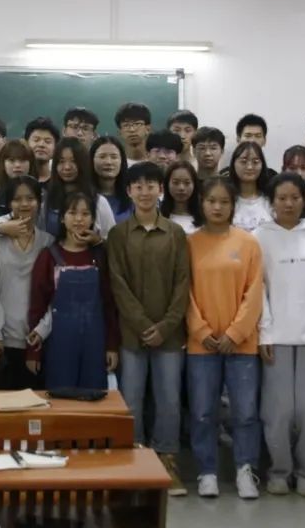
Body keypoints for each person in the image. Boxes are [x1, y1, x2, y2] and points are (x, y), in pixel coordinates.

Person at [108, 162, 191, 496]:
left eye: (151, 185)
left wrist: (166, 325)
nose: (144, 192)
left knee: (169, 401)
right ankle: (135, 462)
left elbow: (183, 283)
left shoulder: (175, 233)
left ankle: (168, 462)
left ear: (161, 190)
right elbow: (118, 284)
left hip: (169, 336)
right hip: (132, 335)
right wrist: (143, 325)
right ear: (129, 191)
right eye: (138, 186)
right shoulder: (118, 234)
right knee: (132, 401)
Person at [186, 177, 265, 500]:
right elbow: (184, 293)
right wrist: (201, 331)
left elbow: (255, 291)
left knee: (245, 412)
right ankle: (207, 472)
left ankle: (246, 470)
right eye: (211, 201)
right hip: (200, 345)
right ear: (201, 204)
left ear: (233, 206)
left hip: (242, 344)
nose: (217, 207)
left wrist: (235, 332)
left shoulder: (248, 243)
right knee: (203, 412)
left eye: (224, 202)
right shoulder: (189, 243)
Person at [254, 174, 305, 498]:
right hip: (276, 336)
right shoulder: (260, 236)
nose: (288, 204)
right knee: (278, 411)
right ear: (272, 201)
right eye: (282, 198)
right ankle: (279, 471)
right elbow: (258, 289)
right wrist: (264, 332)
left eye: (295, 197)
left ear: (304, 200)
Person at [26, 192, 120, 389]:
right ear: (62, 218)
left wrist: (112, 346)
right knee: (60, 398)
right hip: (59, 343)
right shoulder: (49, 256)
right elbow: (37, 306)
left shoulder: (101, 256)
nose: (79, 219)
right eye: (72, 213)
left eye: (85, 214)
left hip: (95, 343)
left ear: (93, 219)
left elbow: (110, 304)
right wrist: (33, 352)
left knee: (93, 398)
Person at [0, 176, 53, 390]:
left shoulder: (48, 242)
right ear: (8, 203)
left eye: (30, 198)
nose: (24, 204)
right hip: (1, 339)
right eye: (17, 199)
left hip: (36, 339)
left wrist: (43, 329)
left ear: (39, 202)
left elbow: (55, 294)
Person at [39, 137, 116, 237]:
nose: (67, 167)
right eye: (61, 161)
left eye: (73, 161)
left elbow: (112, 239)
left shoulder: (99, 202)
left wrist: (96, 241)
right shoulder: (46, 199)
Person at [0, 139, 36, 228]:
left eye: (22, 160)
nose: (17, 165)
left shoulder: (42, 196)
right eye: (11, 160)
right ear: (3, 164)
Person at [230, 141, 273, 233]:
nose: (249, 167)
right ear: (233, 164)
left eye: (255, 162)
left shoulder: (271, 200)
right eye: (243, 162)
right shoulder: (226, 199)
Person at [91, 136, 133, 225]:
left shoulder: (132, 196)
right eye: (102, 157)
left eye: (114, 157)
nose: (108, 162)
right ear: (92, 160)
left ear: (122, 161)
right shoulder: (84, 196)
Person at [232, 113, 278, 182]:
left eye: (258, 136)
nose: (252, 140)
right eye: (248, 136)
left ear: (264, 141)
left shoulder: (273, 178)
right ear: (238, 139)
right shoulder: (226, 176)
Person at [161, 160, 203, 234]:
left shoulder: (205, 218)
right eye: (175, 182)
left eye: (187, 183)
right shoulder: (158, 217)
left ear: (194, 185)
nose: (181, 188)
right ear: (167, 184)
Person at [24, 116, 60, 183]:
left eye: (47, 141)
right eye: (36, 140)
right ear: (26, 142)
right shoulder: (18, 180)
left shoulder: (60, 181)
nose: (41, 145)